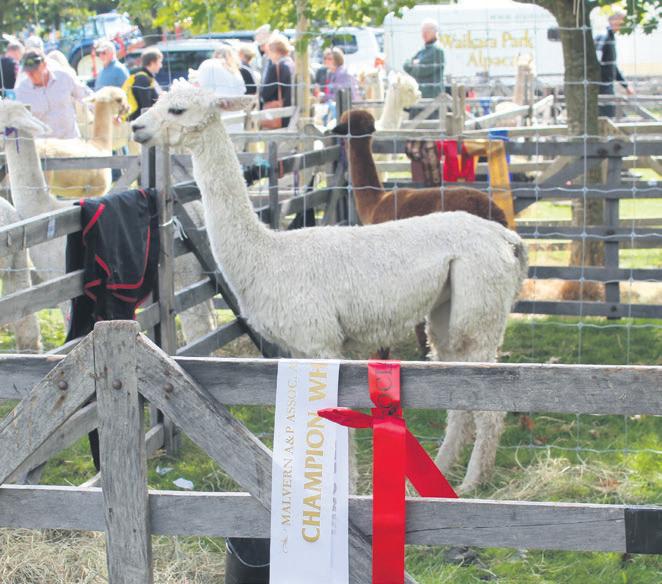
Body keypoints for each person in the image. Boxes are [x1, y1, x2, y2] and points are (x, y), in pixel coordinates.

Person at [15, 48, 92, 139]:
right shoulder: (21, 90)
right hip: (43, 145)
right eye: (28, 71)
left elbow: (87, 97)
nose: (31, 75)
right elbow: (19, 120)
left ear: (44, 65)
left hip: (70, 140)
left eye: (34, 70)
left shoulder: (64, 78)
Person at [595, 11, 634, 117]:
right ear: (612, 21)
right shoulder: (604, 36)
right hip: (601, 85)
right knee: (608, 115)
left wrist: (625, 85)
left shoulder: (611, 37)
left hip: (607, 84)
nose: (623, 25)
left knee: (610, 114)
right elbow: (597, 58)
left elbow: (612, 65)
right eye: (621, 21)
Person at [403, 20, 444, 98]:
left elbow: (420, 71)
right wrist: (414, 63)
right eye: (423, 31)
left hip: (432, 97)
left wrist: (414, 64)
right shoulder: (423, 49)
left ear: (435, 32)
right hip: (420, 95)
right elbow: (405, 65)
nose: (424, 34)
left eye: (427, 31)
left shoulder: (437, 50)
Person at [259, 34, 294, 127]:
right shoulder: (292, 65)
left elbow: (265, 94)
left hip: (278, 115)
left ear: (274, 50)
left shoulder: (276, 67)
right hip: (292, 113)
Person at [128, 48, 163, 122]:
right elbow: (146, 107)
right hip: (139, 123)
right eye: (160, 62)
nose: (161, 66)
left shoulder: (146, 77)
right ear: (153, 62)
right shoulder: (142, 79)